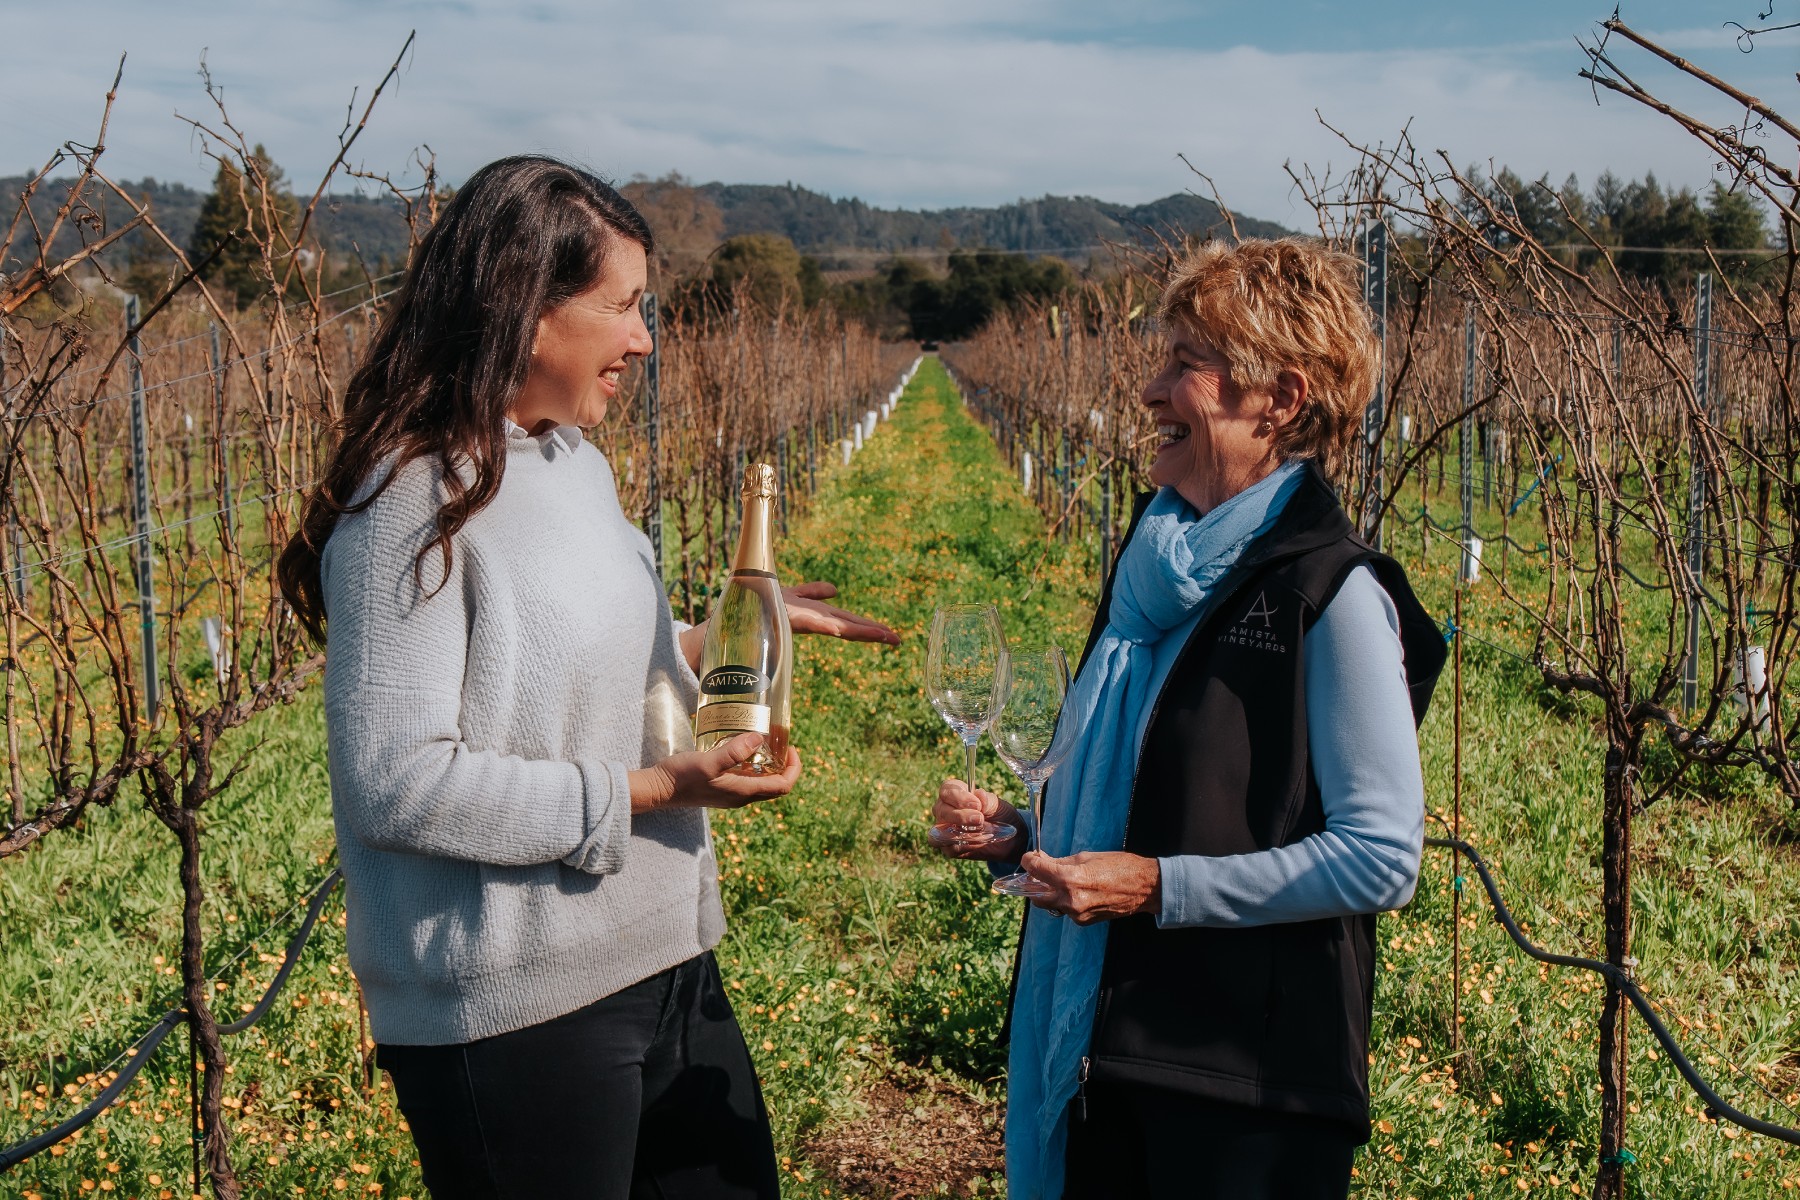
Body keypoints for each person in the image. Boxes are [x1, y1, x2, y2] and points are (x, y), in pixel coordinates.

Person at [276, 155, 897, 1200]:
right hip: (517, 1005)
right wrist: (652, 792)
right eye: (622, 307)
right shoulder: (411, 502)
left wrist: (715, 638)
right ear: (525, 311)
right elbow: (396, 782)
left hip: (659, 955)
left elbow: (563, 666)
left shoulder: (571, 462)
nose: (644, 339)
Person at [932, 238, 1446, 1200]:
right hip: (1108, 1064)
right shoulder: (1155, 577)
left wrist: (1154, 889)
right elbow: (1159, 797)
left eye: (1184, 364)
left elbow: (1384, 856)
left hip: (1240, 1096)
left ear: (1280, 400)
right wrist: (1022, 841)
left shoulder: (1330, 593)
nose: (1150, 388)